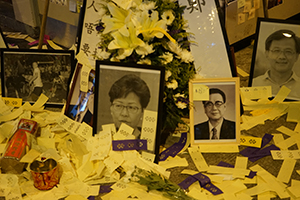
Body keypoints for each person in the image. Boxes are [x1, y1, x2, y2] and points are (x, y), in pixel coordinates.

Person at [252, 29, 300, 99]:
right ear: (267, 53)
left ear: (296, 56)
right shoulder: (254, 84)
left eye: (288, 52)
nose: (282, 57)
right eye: (276, 51)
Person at [109, 74, 151, 139]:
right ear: (111, 108)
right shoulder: (99, 138)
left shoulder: (147, 142)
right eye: (118, 105)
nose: (124, 113)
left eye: (131, 107)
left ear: (142, 112)